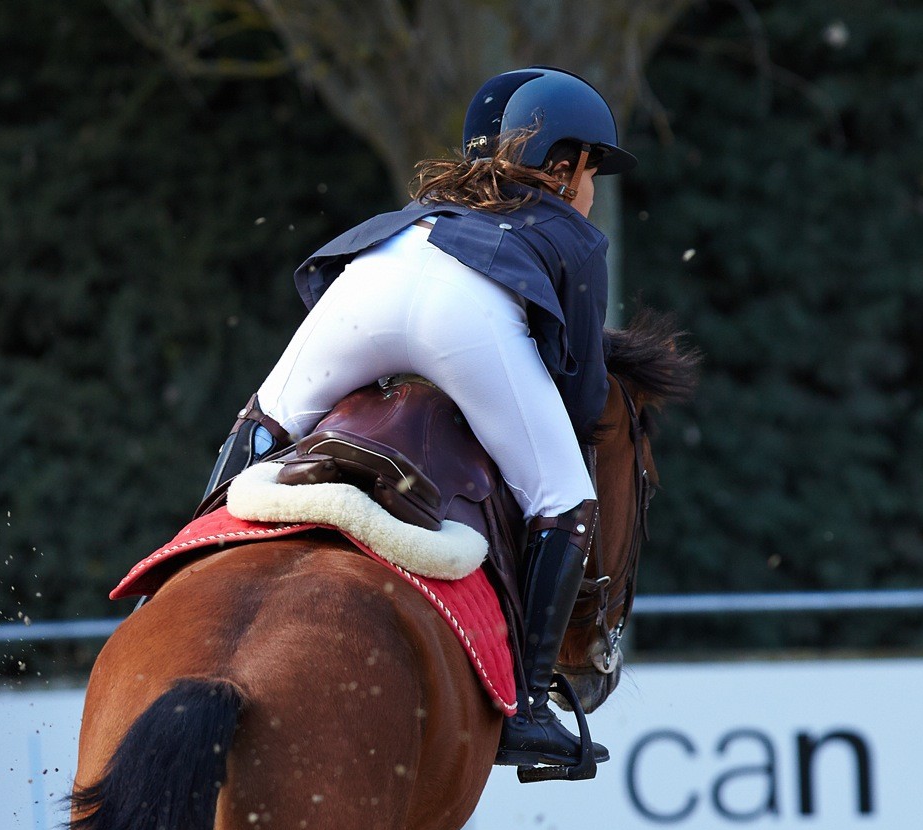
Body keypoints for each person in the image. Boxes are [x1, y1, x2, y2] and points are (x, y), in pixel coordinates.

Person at [204, 67, 633, 777]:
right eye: (593, 173)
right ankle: (528, 709)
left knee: (266, 420)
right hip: (462, 315)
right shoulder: (573, 235)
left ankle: (186, 563)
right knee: (565, 496)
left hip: (371, 276)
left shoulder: (432, 203)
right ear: (563, 168)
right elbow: (583, 400)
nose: (591, 193)